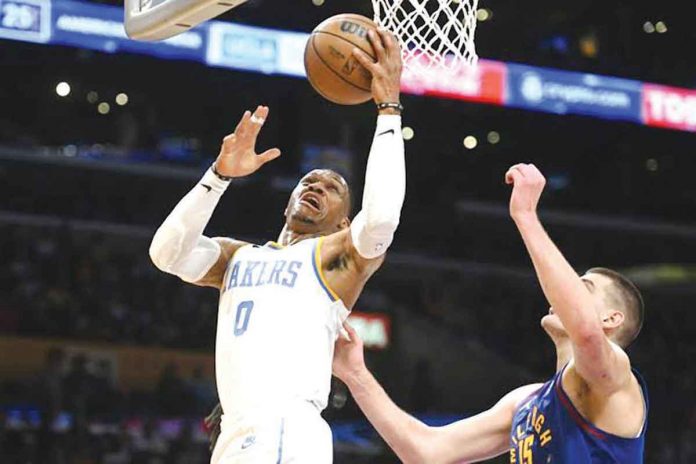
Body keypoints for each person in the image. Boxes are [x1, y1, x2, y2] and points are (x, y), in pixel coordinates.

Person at [149, 28, 404, 463]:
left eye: (331, 188)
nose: (316, 187)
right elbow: (166, 253)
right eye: (309, 181)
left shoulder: (335, 258)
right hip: (235, 430)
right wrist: (218, 175)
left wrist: (388, 109)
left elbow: (380, 219)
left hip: (286, 427)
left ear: (343, 221)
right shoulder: (237, 257)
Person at [332, 164, 648, 463]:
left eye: (584, 288)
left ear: (611, 319)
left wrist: (525, 216)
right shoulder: (525, 402)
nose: (565, 294)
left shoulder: (617, 375)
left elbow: (588, 335)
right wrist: (355, 374)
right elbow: (427, 453)